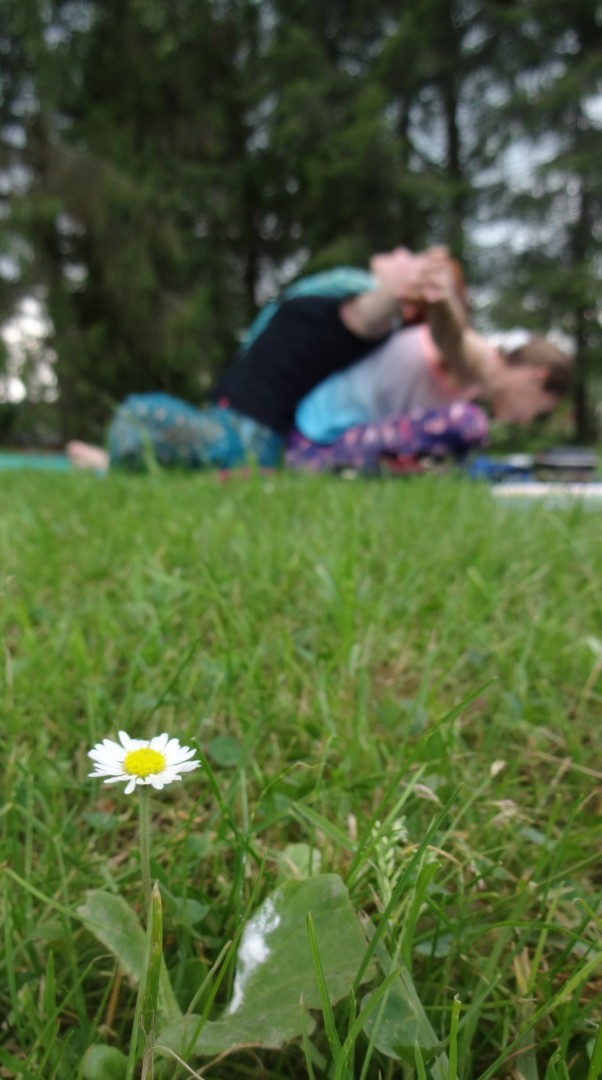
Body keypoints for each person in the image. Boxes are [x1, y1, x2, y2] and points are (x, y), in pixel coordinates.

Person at [67, 246, 450, 472]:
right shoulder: (338, 291)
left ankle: (111, 464)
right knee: (147, 422)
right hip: (227, 418)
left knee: (139, 414)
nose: (399, 252)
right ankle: (121, 461)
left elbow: (370, 315)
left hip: (249, 436)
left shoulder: (366, 312)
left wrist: (401, 293)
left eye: (409, 257)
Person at [285, 258, 573, 473]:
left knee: (461, 448)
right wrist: (442, 303)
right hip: (315, 444)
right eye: (538, 411)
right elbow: (451, 339)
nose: (526, 420)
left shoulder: (473, 385)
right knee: (468, 424)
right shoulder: (478, 360)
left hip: (345, 442)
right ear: (536, 379)